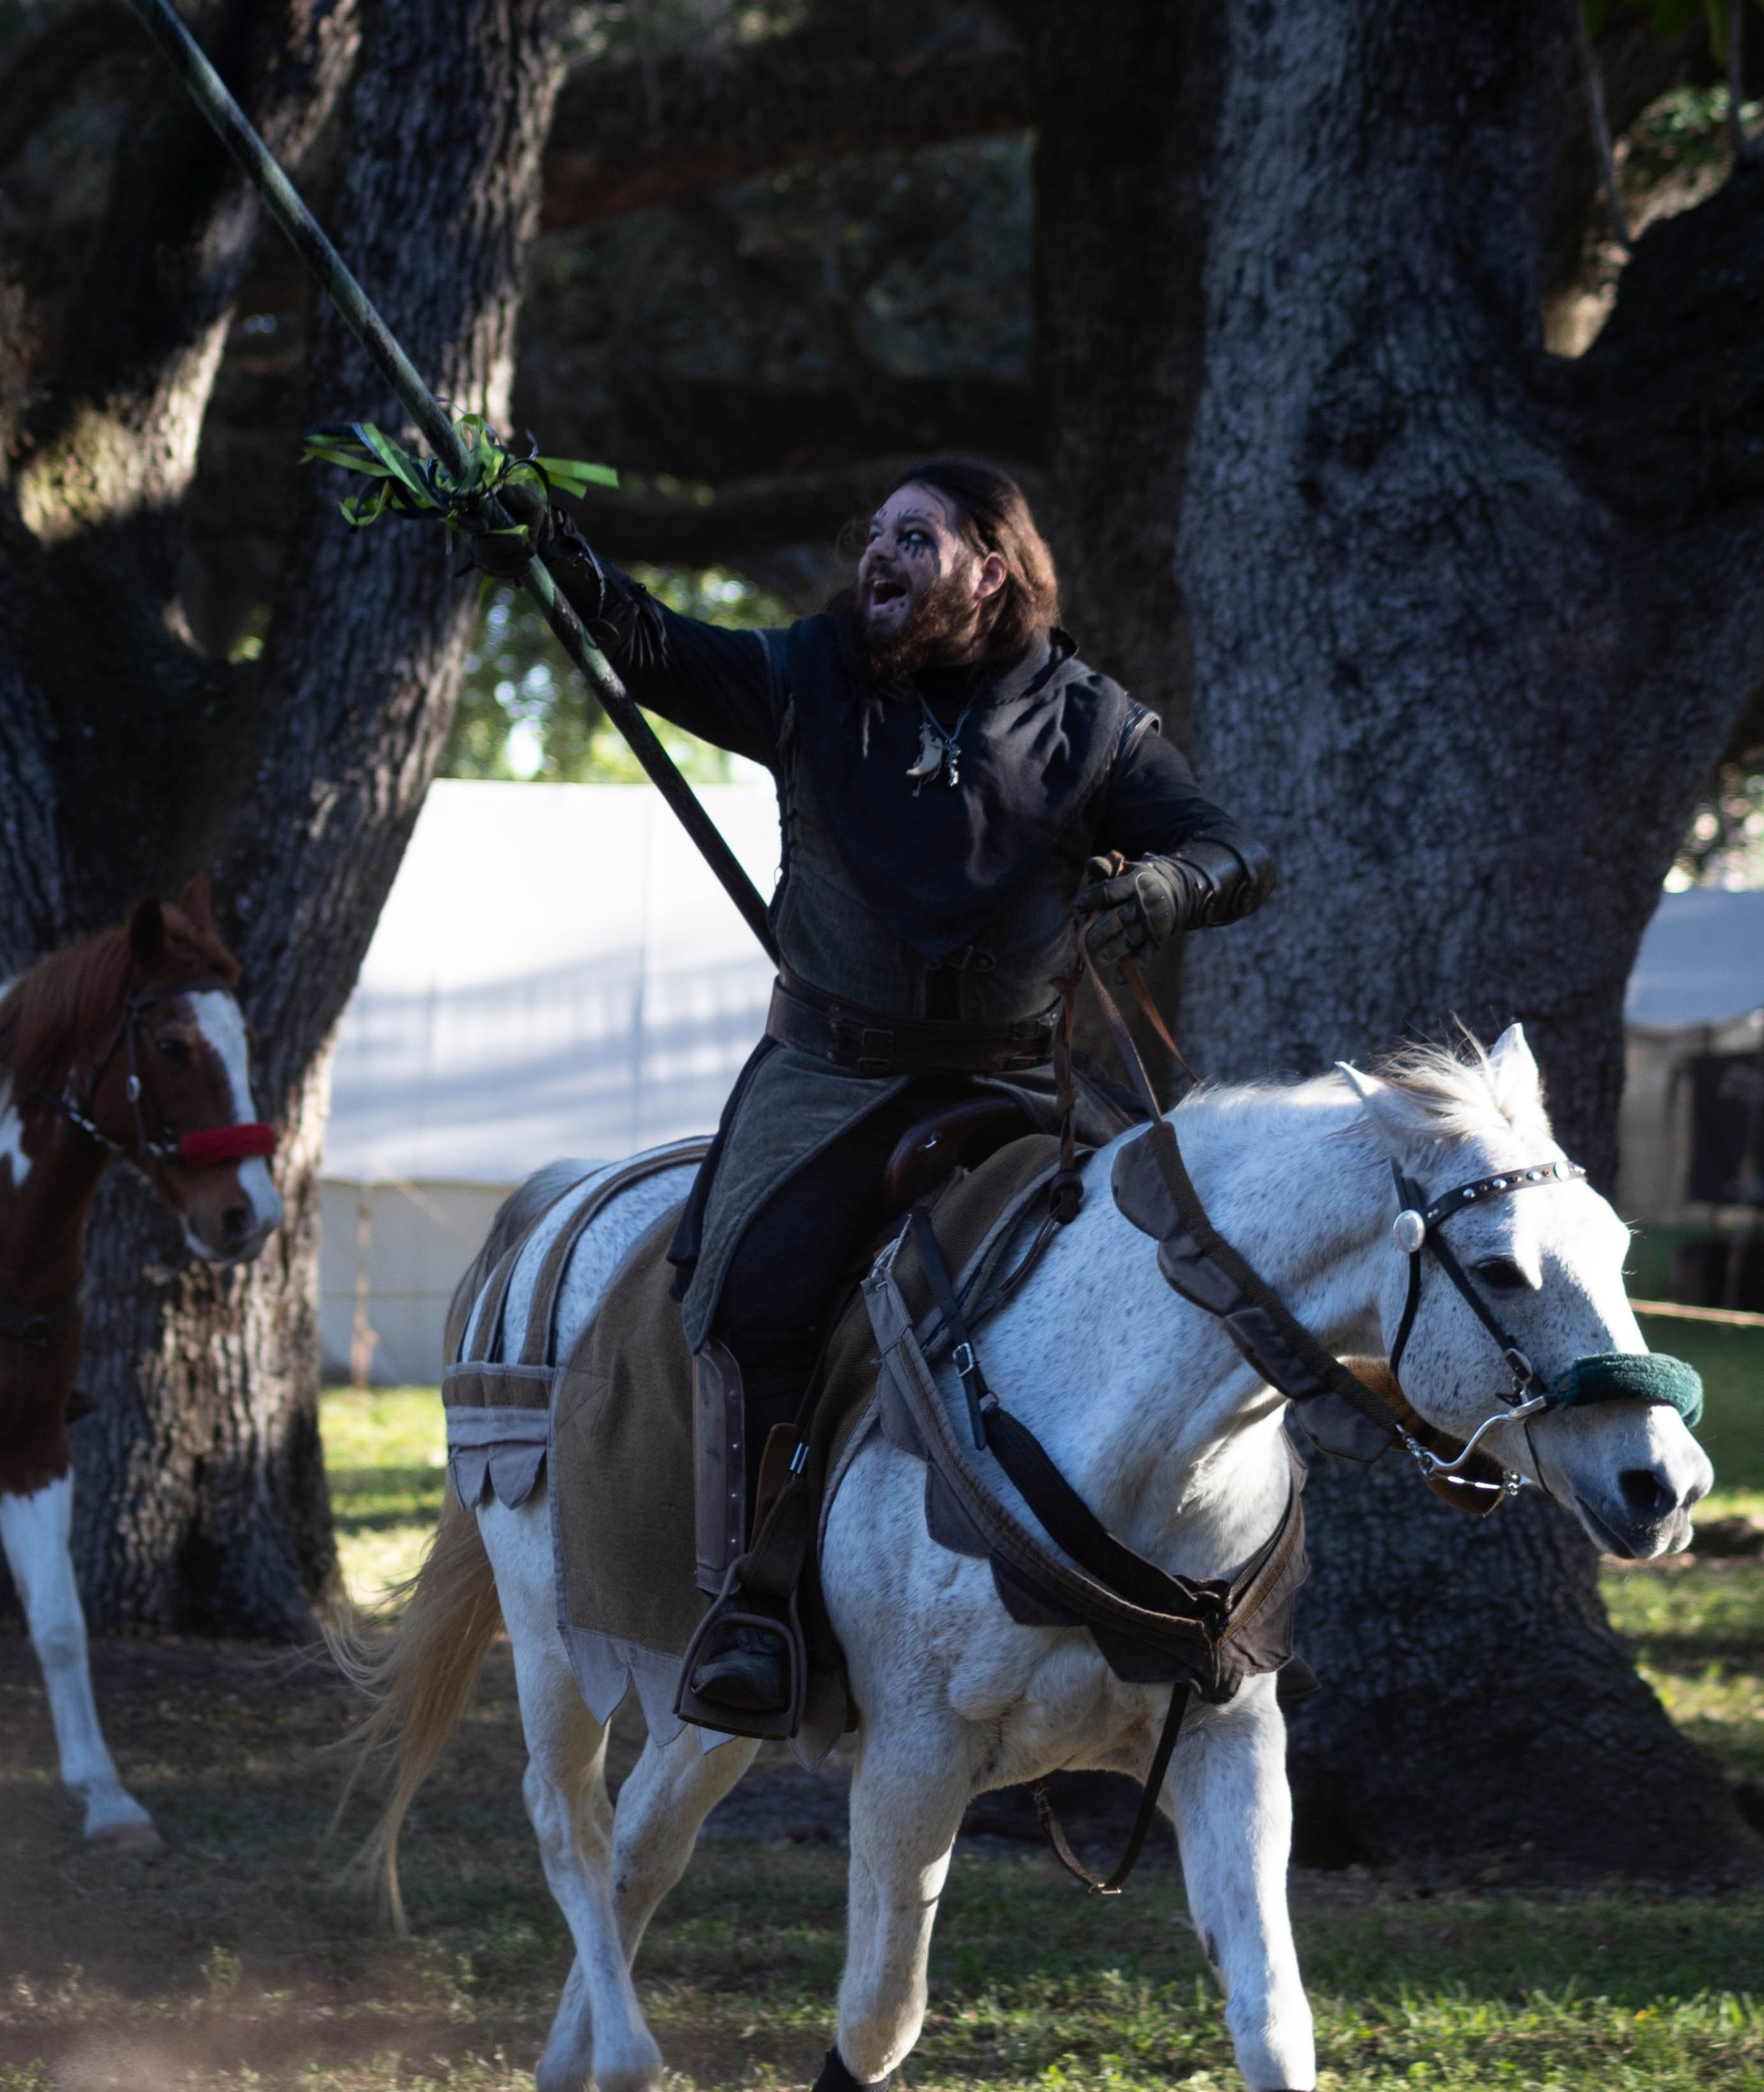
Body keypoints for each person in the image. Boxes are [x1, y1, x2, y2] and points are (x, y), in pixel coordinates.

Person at [523, 457, 1274, 1732]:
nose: (878, 552)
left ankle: (1157, 1595)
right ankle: (763, 1602)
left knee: (1162, 1273)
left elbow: (1234, 850)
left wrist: (1161, 891)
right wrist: (554, 550)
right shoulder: (810, 676)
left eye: (913, 537)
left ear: (990, 566)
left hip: (1019, 1085)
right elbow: (654, 646)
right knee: (758, 1295)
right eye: (874, 533)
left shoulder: (1093, 724)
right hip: (829, 1081)